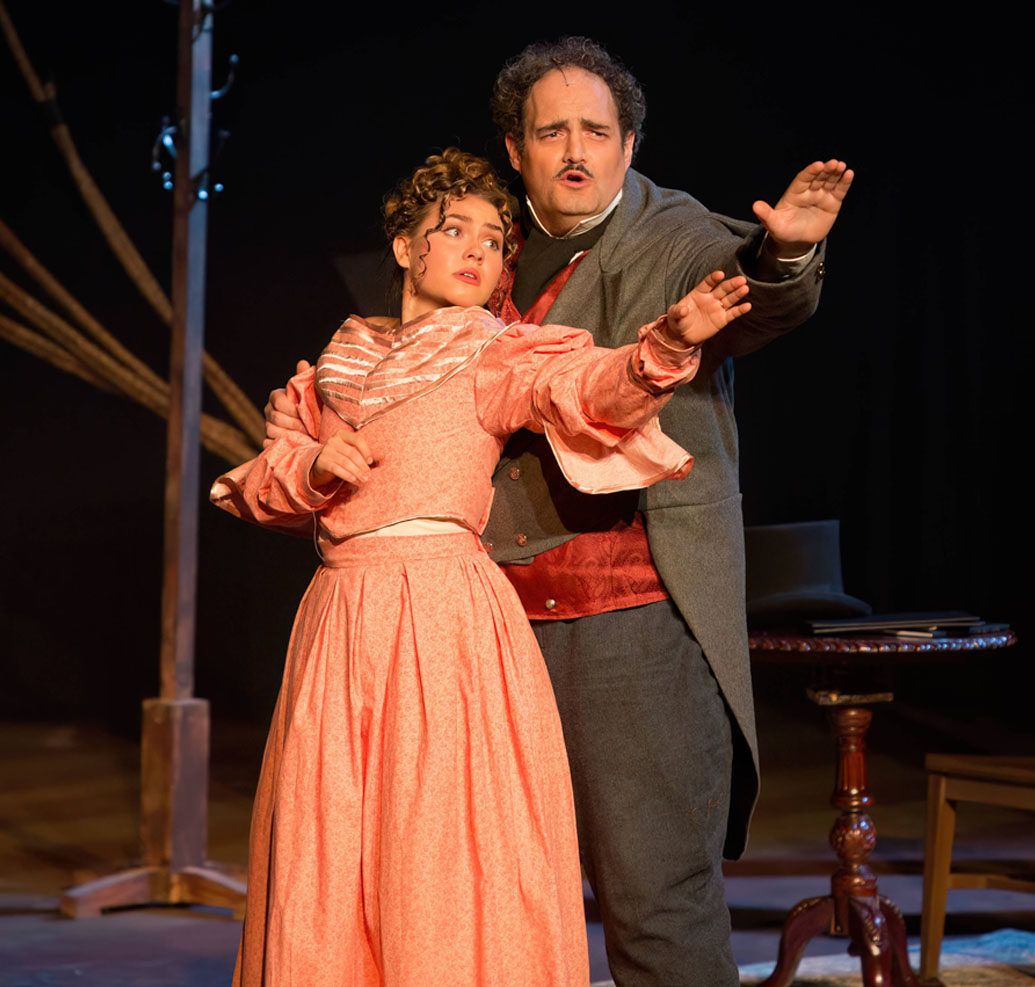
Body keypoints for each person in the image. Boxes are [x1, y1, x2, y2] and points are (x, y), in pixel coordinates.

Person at [267, 39, 853, 986]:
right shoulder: (482, 245)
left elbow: (752, 292)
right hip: (478, 628)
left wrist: (785, 250)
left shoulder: (672, 236)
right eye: (552, 131)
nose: (575, 148)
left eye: (597, 129)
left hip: (628, 623)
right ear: (515, 147)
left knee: (654, 897)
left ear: (629, 145)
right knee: (470, 895)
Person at [215, 147, 752, 986]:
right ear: (404, 247)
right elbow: (257, 487)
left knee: (438, 845)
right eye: (453, 230)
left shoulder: (492, 352)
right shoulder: (333, 367)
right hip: (340, 620)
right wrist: (313, 467)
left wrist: (663, 346)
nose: (478, 251)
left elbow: (585, 389)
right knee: (333, 839)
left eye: (496, 239)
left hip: (443, 620)